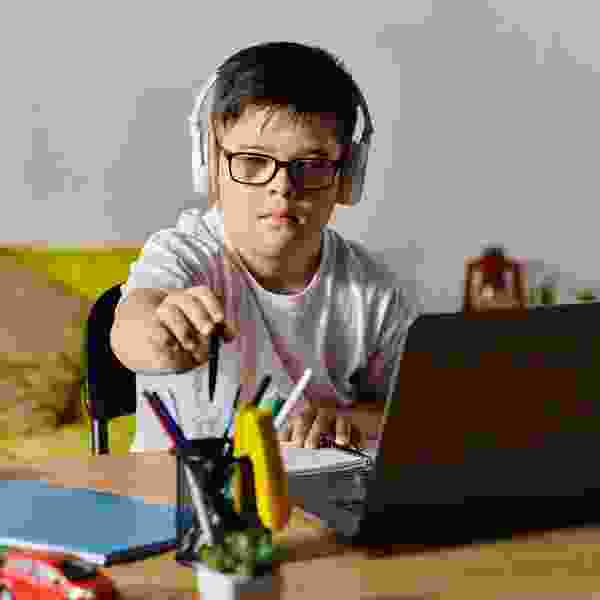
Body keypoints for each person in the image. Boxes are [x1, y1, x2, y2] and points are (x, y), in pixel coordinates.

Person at [110, 41, 420, 452]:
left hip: (315, 488)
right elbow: (131, 327)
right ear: (211, 164)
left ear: (348, 176)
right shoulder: (183, 255)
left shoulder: (373, 292)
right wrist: (160, 333)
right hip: (181, 487)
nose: (282, 187)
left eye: (311, 166)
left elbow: (414, 412)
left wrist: (345, 421)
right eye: (253, 161)